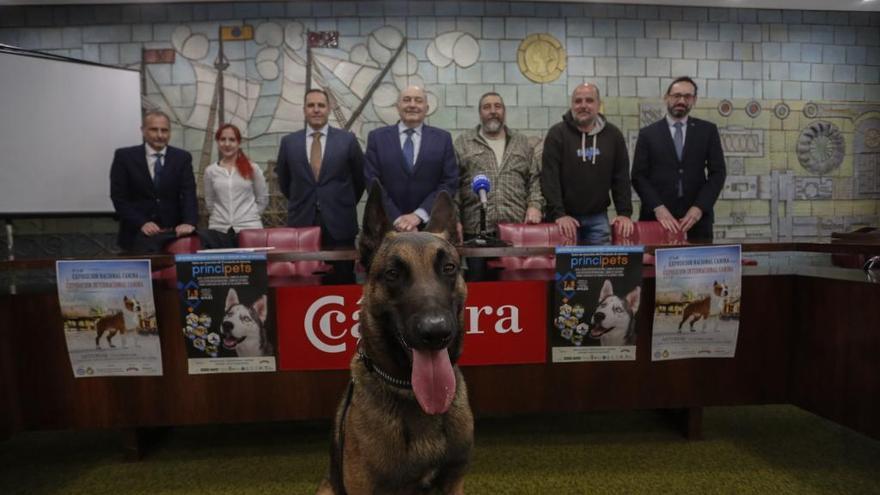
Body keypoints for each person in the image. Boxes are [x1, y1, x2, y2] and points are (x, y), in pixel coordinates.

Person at [276, 88, 365, 284]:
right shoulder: (289, 142)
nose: (316, 110)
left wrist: (341, 202)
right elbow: (285, 181)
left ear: (329, 109)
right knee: (303, 283)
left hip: (340, 224)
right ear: (304, 110)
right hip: (302, 224)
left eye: (321, 105)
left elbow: (360, 179)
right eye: (311, 105)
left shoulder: (347, 140)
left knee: (341, 281)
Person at [631, 76, 726, 241]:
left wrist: (699, 208)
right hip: (657, 219)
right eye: (676, 95)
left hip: (697, 221)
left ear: (694, 100)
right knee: (653, 267)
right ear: (667, 97)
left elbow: (718, 173)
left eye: (687, 96)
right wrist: (658, 207)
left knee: (700, 266)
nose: (681, 100)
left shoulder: (707, 131)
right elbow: (638, 176)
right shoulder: (648, 134)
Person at [541, 83, 634, 244]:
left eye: (589, 100)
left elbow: (621, 178)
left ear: (599, 105)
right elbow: (550, 178)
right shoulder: (557, 134)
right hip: (564, 220)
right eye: (578, 101)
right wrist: (559, 214)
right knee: (565, 269)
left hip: (598, 219)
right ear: (572, 105)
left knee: (598, 268)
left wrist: (624, 213)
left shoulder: (613, 135)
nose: (583, 105)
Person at [364, 85, 457, 232]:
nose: (412, 105)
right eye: (406, 100)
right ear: (397, 106)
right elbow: (372, 182)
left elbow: (449, 182)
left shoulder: (443, 139)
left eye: (418, 100)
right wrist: (397, 219)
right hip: (386, 228)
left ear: (426, 108)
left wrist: (418, 215)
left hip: (431, 228)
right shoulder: (377, 138)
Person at [454, 91, 543, 239]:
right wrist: (455, 220)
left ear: (504, 111)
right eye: (487, 107)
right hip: (475, 229)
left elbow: (534, 180)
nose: (493, 111)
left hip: (516, 228)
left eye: (498, 106)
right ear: (480, 113)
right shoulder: (463, 142)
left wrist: (535, 205)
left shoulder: (521, 142)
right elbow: (454, 187)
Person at [110, 110, 197, 253]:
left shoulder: (182, 158)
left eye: (164, 130)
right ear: (143, 131)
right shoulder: (124, 157)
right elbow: (119, 198)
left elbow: (189, 194)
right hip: (136, 235)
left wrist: (189, 222)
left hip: (174, 236)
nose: (159, 135)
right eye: (154, 129)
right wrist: (141, 222)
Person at [202, 123, 268, 247]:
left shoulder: (253, 168)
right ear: (217, 141)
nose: (227, 144)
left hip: (250, 230)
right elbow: (209, 202)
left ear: (239, 143)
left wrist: (250, 216)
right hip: (219, 230)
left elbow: (262, 199)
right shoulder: (210, 171)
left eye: (232, 140)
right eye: (223, 139)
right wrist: (221, 218)